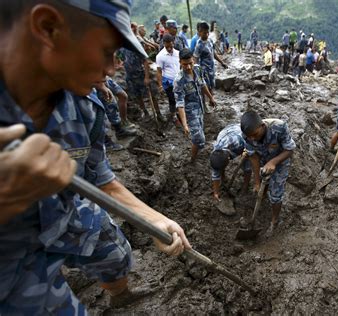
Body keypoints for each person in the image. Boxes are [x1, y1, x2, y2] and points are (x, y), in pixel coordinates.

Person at [0, 0, 190, 314]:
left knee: (115, 252)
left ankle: (120, 297)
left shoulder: (83, 105)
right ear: (48, 27)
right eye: (107, 51)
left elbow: (102, 180)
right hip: (8, 265)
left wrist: (156, 219)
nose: (114, 67)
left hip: (62, 210)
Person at [240, 111, 296, 235]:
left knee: (276, 194)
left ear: (262, 126)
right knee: (261, 185)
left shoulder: (279, 127)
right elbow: (253, 157)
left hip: (281, 160)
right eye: (249, 136)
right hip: (262, 159)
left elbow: (290, 149)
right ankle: (263, 202)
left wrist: (274, 162)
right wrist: (256, 181)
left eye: (254, 134)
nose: (252, 138)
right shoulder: (247, 135)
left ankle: (274, 221)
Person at [174, 49, 217, 162]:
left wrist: (211, 98)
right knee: (199, 137)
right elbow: (180, 103)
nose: (188, 67)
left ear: (193, 59)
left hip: (200, 108)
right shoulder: (179, 80)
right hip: (190, 112)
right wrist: (184, 124)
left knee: (200, 133)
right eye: (184, 64)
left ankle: (197, 149)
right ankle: (191, 160)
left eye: (190, 63)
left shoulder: (197, 69)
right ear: (180, 62)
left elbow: (202, 84)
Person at [210, 124, 252, 201]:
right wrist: (216, 192)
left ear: (229, 159)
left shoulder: (239, 142)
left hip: (244, 135)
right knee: (219, 166)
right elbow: (215, 173)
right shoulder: (216, 151)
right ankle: (223, 178)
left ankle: (245, 186)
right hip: (227, 133)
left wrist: (246, 153)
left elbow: (251, 146)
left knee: (247, 166)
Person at [193, 22, 228, 110]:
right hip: (203, 70)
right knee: (204, 87)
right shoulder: (199, 45)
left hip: (211, 68)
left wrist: (222, 62)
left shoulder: (210, 41)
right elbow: (195, 58)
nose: (207, 34)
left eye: (207, 32)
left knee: (211, 85)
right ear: (199, 32)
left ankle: (211, 101)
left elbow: (213, 53)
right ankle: (204, 105)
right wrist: (196, 71)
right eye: (204, 33)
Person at [156, 34, 180, 126]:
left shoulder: (178, 53)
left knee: (180, 97)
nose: (169, 48)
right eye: (167, 46)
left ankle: (180, 112)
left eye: (171, 46)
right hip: (168, 81)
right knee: (172, 99)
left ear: (173, 43)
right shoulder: (160, 56)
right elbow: (159, 71)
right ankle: (174, 115)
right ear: (164, 44)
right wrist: (160, 85)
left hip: (178, 80)